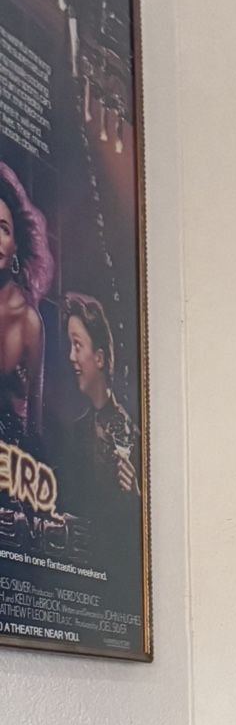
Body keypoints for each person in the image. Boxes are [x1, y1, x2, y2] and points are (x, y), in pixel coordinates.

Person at [62, 293, 140, 596]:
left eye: (77, 345)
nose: (71, 357)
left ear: (100, 357)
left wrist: (134, 496)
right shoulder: (75, 431)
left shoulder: (131, 434)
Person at [0, 161, 52, 447]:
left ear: (16, 243)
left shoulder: (28, 321)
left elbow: (35, 424)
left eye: (3, 229)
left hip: (13, 468)